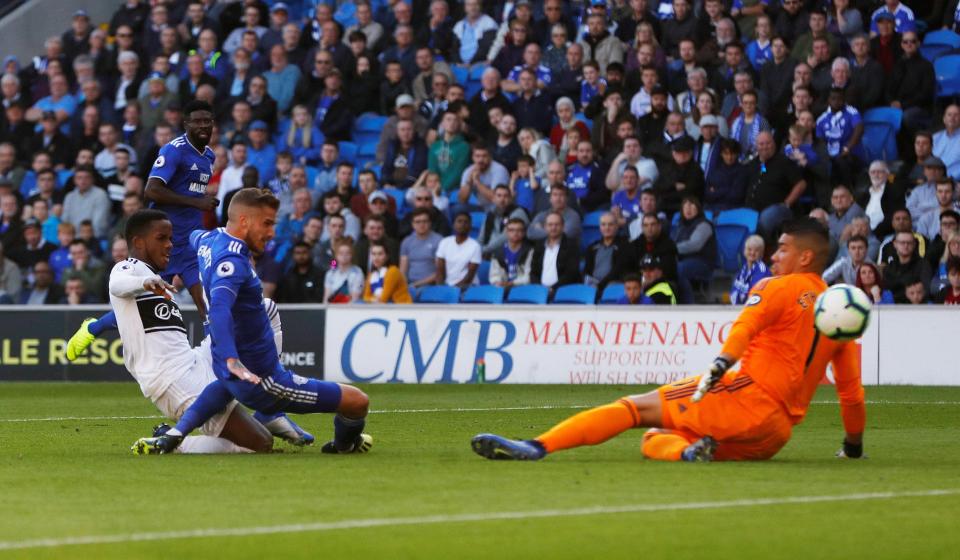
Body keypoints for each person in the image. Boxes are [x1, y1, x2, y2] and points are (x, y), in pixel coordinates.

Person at [472, 218, 868, 464]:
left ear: (804, 258)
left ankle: (537, 446)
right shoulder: (839, 316)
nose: (774, 255)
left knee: (633, 408)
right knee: (656, 440)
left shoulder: (779, 286)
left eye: (782, 248)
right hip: (774, 435)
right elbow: (851, 394)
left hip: (745, 397)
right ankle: (687, 452)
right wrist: (852, 447)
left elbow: (746, 326)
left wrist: (722, 362)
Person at [132, 192, 371, 454]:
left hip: (227, 371)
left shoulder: (208, 239)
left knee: (261, 320)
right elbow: (221, 308)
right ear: (244, 221)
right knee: (358, 402)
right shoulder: (231, 262)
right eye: (266, 223)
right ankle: (343, 445)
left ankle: (175, 435)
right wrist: (232, 357)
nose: (271, 233)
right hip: (263, 380)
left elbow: (191, 235)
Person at [113, 210, 313, 454]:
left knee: (266, 309)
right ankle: (172, 442)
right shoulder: (127, 268)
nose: (170, 245)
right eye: (162, 238)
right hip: (173, 380)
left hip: (194, 359)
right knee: (260, 444)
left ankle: (269, 409)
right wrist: (143, 283)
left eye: (171, 238)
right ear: (138, 242)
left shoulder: (156, 279)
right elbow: (117, 285)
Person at [745, 132, 806, 243]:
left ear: (774, 144)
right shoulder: (752, 164)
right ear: (756, 146)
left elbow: (801, 184)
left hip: (778, 208)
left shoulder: (784, 162)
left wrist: (787, 203)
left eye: (768, 143)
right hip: (752, 209)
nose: (764, 147)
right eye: (761, 144)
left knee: (765, 219)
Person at [531, 211, 581, 296]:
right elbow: (534, 272)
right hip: (540, 292)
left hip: (564, 292)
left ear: (563, 226)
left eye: (557, 224)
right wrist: (540, 288)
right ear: (545, 227)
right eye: (550, 225)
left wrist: (553, 289)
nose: (553, 228)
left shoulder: (571, 246)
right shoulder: (539, 245)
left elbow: (571, 272)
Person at [583, 212, 630, 291]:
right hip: (593, 286)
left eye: (610, 224)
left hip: (612, 286)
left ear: (616, 226)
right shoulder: (592, 247)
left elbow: (617, 271)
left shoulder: (625, 246)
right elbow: (587, 271)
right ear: (600, 227)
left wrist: (600, 285)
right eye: (603, 224)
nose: (607, 228)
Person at [400, 207, 443, 291]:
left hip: (430, 286)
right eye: (417, 222)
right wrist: (403, 284)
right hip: (410, 285)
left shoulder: (439, 241)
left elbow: (439, 272)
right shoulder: (407, 241)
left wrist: (416, 285)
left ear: (430, 223)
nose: (421, 224)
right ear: (412, 224)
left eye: (425, 221)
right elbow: (403, 270)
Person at [435, 212, 481, 289]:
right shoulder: (445, 242)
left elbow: (469, 276)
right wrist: (440, 288)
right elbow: (440, 270)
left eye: (466, 222)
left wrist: (453, 290)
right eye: (459, 221)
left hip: (468, 286)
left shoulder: (475, 246)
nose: (462, 224)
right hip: (447, 285)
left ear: (470, 226)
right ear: (453, 225)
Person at [884, 231, 932, 302]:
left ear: (914, 244)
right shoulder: (890, 267)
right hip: (892, 307)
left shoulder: (923, 265)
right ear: (895, 244)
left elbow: (925, 290)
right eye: (902, 242)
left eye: (909, 243)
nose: (906, 245)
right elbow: (886, 291)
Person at [489, 217, 533, 290]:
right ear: (506, 232)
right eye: (511, 230)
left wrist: (511, 283)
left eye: (519, 230)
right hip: (502, 289)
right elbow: (494, 275)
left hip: (523, 289)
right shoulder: (498, 252)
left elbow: (529, 277)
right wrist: (498, 282)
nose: (515, 233)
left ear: (524, 232)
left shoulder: (530, 251)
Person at [730, 234, 771, 304]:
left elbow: (755, 294)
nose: (752, 253)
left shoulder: (762, 270)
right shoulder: (744, 268)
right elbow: (734, 290)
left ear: (761, 253)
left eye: (756, 250)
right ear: (744, 251)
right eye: (749, 249)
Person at [325, 238, 364, 304]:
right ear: (336, 255)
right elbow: (326, 297)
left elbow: (355, 297)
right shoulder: (330, 273)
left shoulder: (358, 272)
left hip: (350, 309)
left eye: (347, 253)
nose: (344, 256)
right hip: (332, 309)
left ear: (352, 255)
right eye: (341, 253)